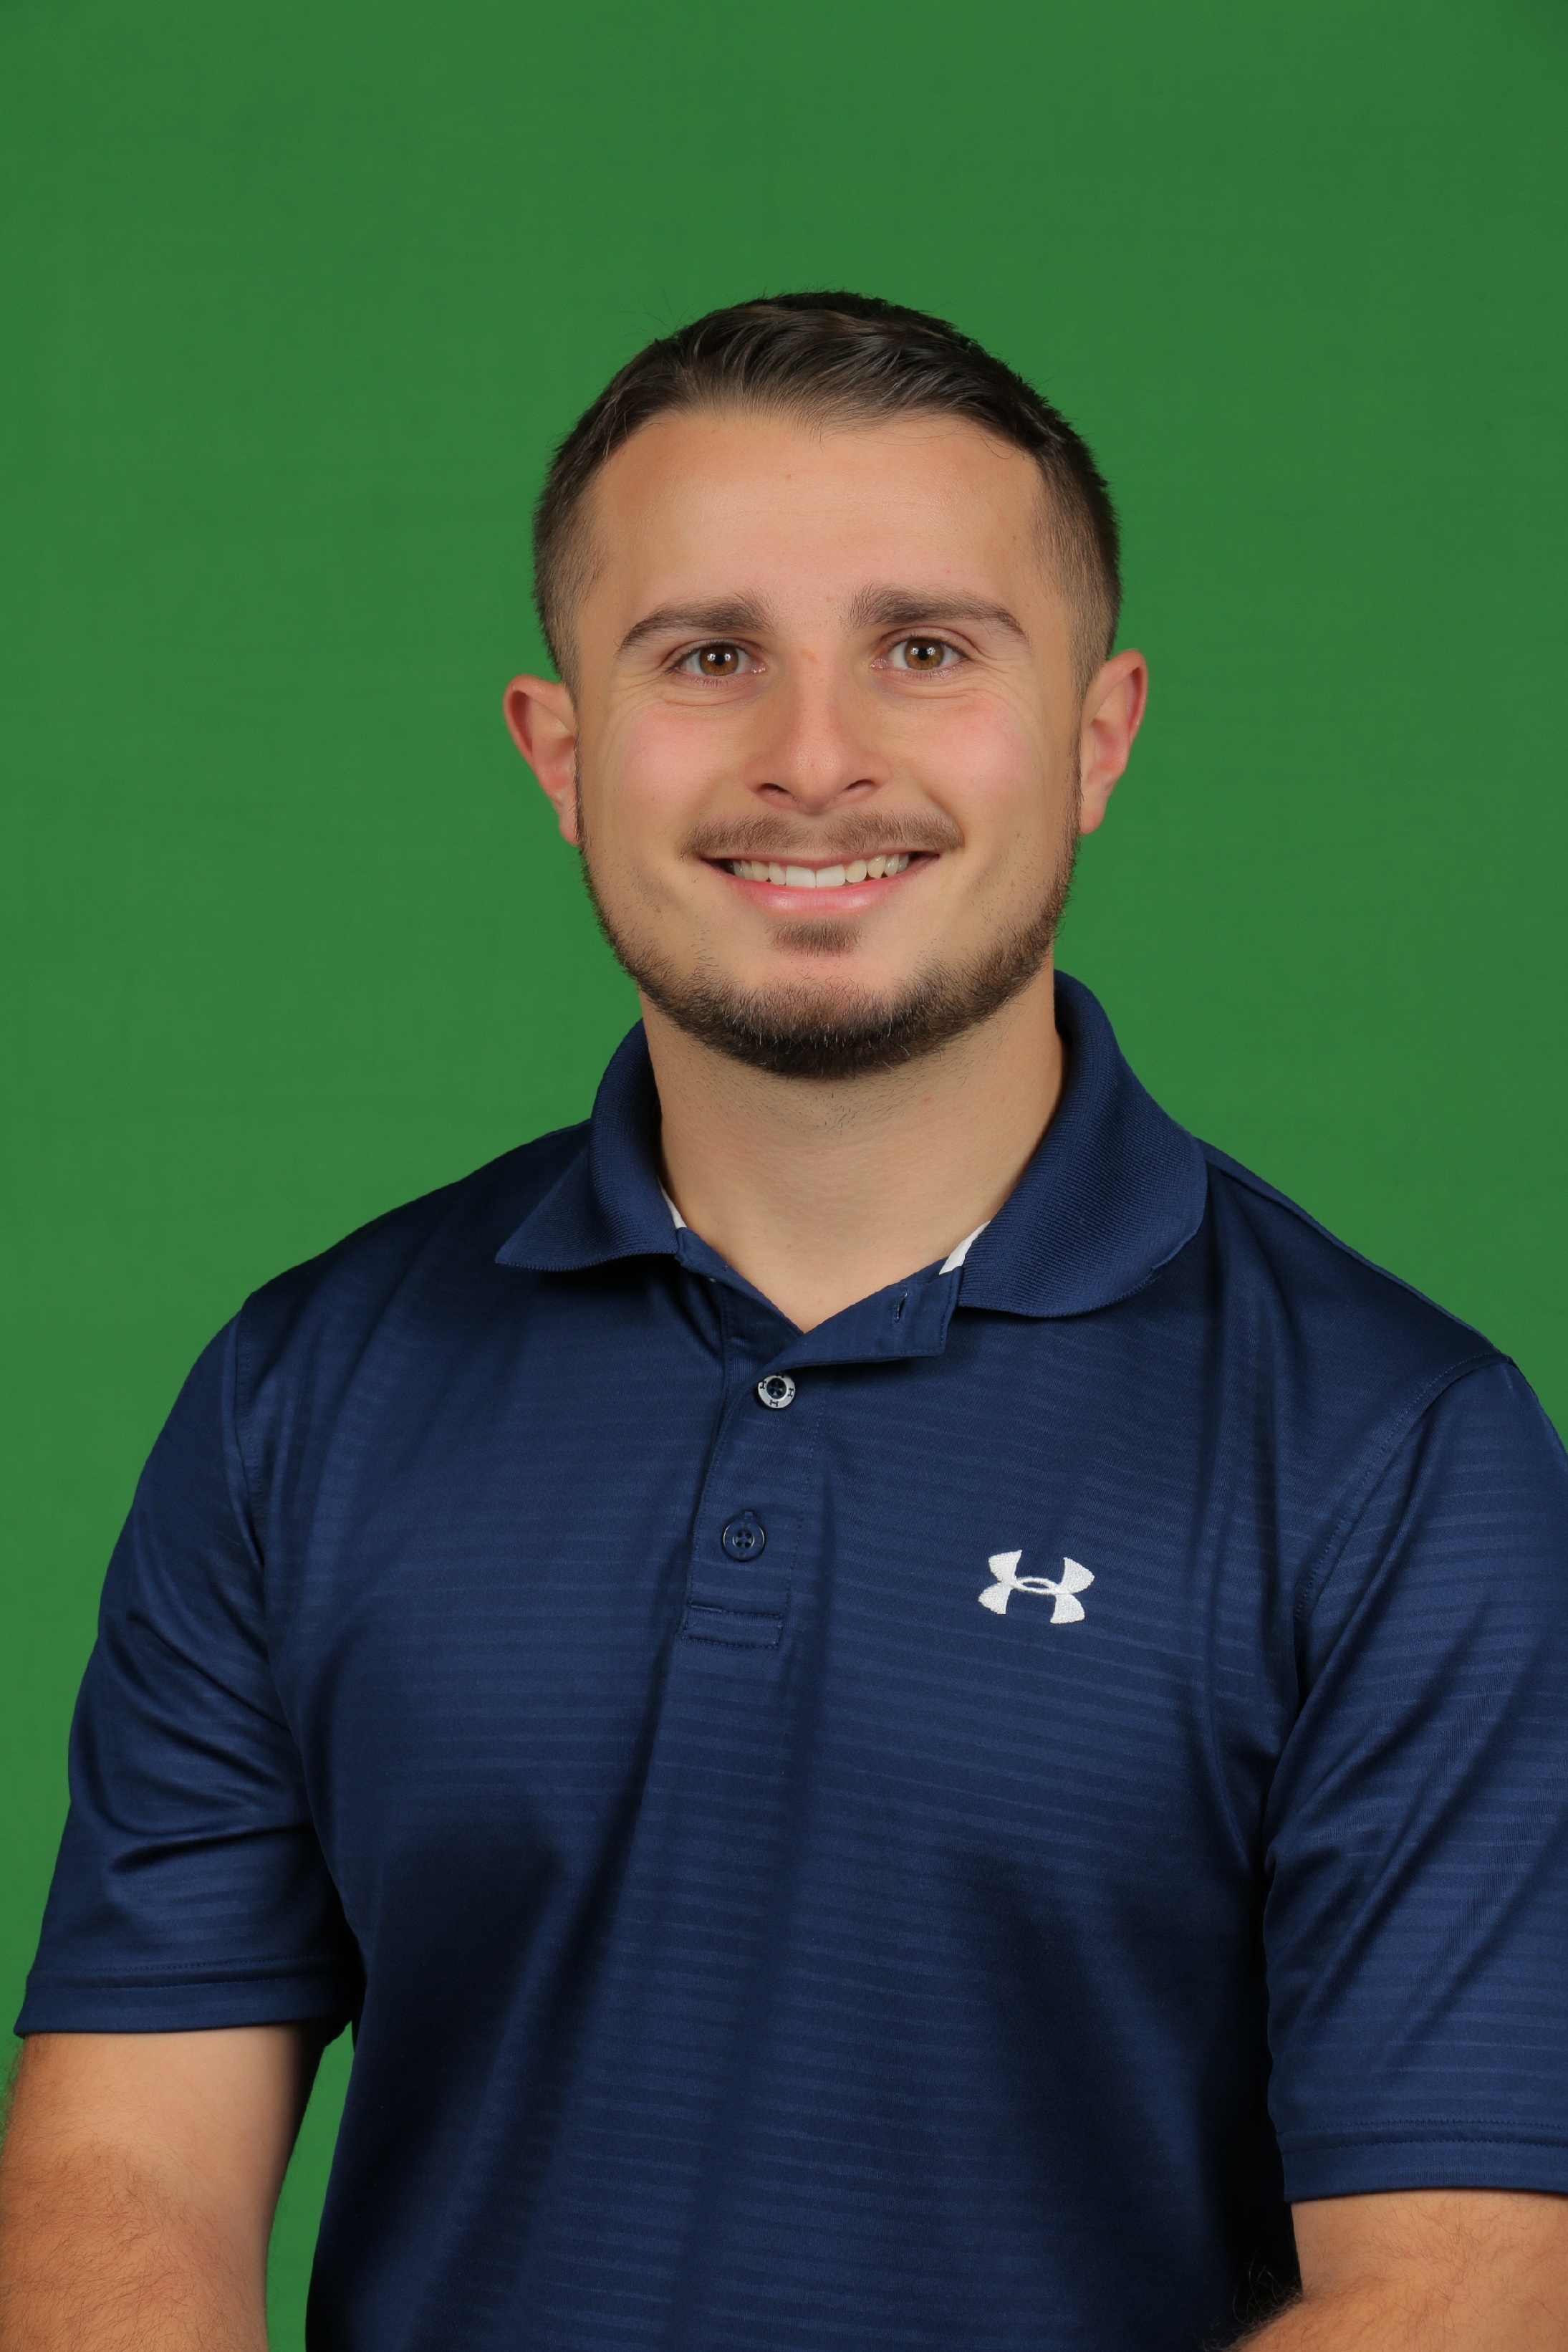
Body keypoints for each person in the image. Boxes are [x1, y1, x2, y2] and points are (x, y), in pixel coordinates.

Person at [1, 292, 1565, 2352]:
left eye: (926, 649)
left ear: (1098, 736)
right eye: (708, 656)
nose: (814, 759)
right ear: (562, 752)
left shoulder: (1397, 1450)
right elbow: (124, 2175)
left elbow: (1470, 2278)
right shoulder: (304, 1393)